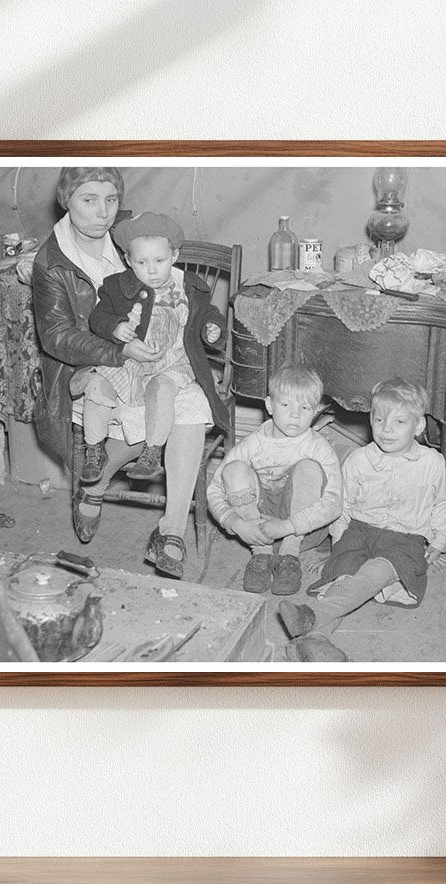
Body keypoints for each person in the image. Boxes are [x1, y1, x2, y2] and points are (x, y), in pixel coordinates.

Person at [31, 169, 230, 577]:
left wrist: (203, 324)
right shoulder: (51, 263)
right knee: (147, 403)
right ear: (66, 201)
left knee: (188, 408)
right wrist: (119, 349)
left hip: (160, 363)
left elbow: (177, 278)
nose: (102, 212)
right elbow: (57, 337)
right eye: (88, 200)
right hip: (88, 364)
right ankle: (97, 481)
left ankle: (171, 531)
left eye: (110, 199)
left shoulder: (132, 232)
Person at [277, 378, 446, 661]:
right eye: (379, 419)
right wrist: (338, 549)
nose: (386, 429)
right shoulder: (358, 460)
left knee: (375, 572)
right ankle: (316, 642)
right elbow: (343, 506)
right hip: (358, 532)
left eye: (399, 422)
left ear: (418, 426)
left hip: (404, 539)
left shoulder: (432, 462)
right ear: (370, 420)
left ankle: (312, 615)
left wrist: (438, 542)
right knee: (344, 576)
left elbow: (439, 504)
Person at [70, 212, 225, 485]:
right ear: (128, 260)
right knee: (96, 386)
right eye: (141, 262)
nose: (151, 270)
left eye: (159, 261)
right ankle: (94, 449)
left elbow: (208, 315)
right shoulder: (117, 286)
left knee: (161, 388)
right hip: (129, 363)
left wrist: (211, 329)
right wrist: (115, 327)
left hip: (173, 362)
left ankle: (152, 452)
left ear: (174, 256)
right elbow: (99, 317)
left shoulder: (189, 289)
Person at [206, 365, 342, 596]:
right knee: (233, 469)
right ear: (269, 405)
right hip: (257, 527)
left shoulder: (318, 447)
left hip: (302, 531)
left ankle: (289, 558)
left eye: (305, 407)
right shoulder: (252, 443)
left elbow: (334, 503)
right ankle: (261, 554)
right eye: (286, 405)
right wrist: (238, 524)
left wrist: (289, 526)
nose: (295, 415)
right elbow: (214, 490)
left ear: (316, 411)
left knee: (309, 468)